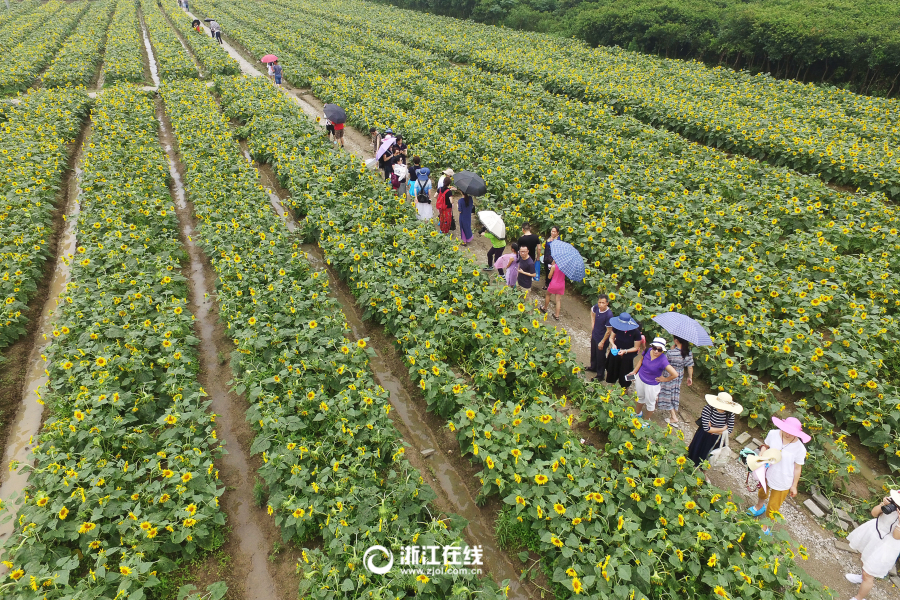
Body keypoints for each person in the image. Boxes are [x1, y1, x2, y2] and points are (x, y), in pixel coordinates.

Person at [747, 416, 809, 534]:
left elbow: (797, 468)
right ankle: (759, 506)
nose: (788, 434)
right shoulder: (773, 434)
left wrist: (794, 485)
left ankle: (766, 526)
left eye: (792, 433)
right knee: (762, 492)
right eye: (786, 430)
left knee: (773, 505)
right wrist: (761, 454)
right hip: (767, 471)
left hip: (783, 480)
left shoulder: (800, 449)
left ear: (797, 433)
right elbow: (766, 446)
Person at [845, 490, 900, 600]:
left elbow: (896, 536)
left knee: (869, 573)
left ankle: (859, 598)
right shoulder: (892, 501)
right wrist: (883, 504)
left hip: (888, 544)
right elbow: (874, 514)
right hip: (875, 532)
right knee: (864, 557)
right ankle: (862, 577)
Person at [627, 337, 678, 420]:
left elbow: (675, 374)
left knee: (650, 403)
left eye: (659, 350)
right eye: (655, 348)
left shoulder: (663, 360)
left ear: (663, 350)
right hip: (640, 378)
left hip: (652, 385)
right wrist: (634, 371)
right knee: (640, 397)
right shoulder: (647, 350)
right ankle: (638, 413)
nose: (656, 351)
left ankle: (647, 419)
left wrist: (664, 379)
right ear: (652, 346)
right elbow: (641, 361)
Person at [687, 392, 741, 467]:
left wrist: (713, 429)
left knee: (709, 455)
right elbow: (706, 428)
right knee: (696, 451)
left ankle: (703, 471)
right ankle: (689, 466)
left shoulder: (730, 414)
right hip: (704, 435)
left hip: (717, 438)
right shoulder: (708, 408)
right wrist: (722, 429)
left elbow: (729, 430)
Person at [657, 336, 694, 428]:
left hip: (668, 374)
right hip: (679, 374)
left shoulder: (671, 352)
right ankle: (658, 401)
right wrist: (690, 377)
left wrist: (670, 350)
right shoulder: (688, 353)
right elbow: (690, 366)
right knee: (674, 393)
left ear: (676, 340)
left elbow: (663, 363)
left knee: (666, 393)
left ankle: (673, 416)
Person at [605, 312, 641, 387]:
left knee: (626, 373)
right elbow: (611, 338)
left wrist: (625, 351)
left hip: (627, 356)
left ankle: (625, 390)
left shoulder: (636, 332)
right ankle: (612, 387)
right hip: (616, 353)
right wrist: (613, 344)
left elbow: (636, 348)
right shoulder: (616, 327)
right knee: (612, 370)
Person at [588, 294, 612, 377]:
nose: (601, 304)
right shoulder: (597, 307)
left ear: (607, 303)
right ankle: (593, 367)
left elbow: (609, 331)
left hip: (602, 338)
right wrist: (593, 324)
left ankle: (600, 374)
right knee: (593, 352)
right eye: (599, 302)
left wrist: (602, 342)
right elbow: (592, 311)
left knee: (600, 356)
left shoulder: (609, 315)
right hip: (595, 335)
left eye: (603, 303)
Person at [541, 226, 559, 290]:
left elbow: (558, 252)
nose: (553, 233)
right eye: (552, 231)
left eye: (554, 231)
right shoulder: (550, 238)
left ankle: (549, 286)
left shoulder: (558, 240)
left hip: (552, 259)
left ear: (557, 233)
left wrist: (554, 260)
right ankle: (547, 284)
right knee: (547, 271)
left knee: (551, 273)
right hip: (547, 258)